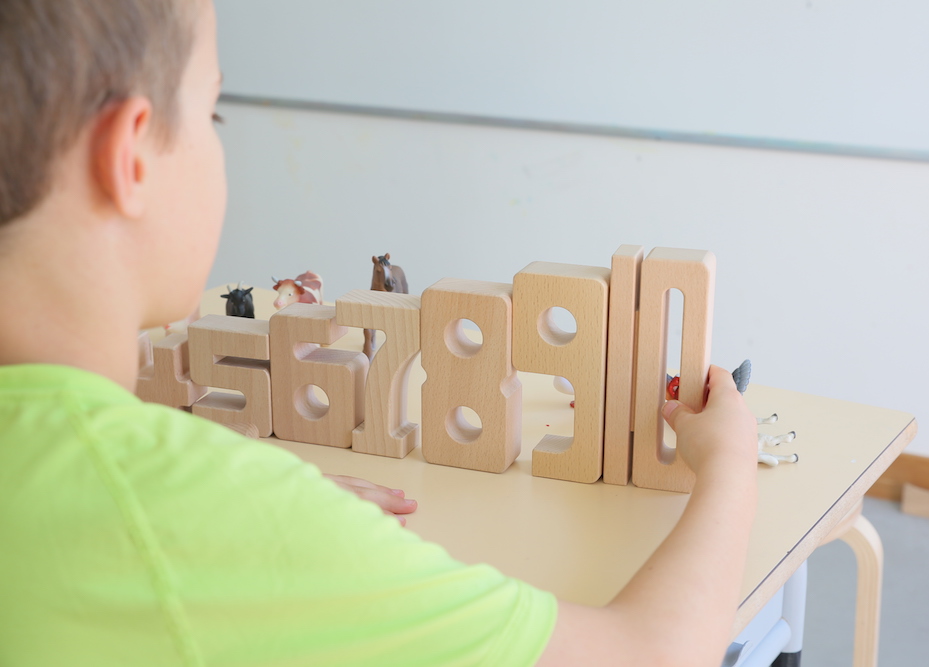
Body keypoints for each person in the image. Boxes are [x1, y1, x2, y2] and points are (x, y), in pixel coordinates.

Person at [0, 1, 759, 665]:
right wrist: (731, 463)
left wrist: (267, 513)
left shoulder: (176, 503)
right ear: (128, 155)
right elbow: (652, 655)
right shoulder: (181, 514)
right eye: (212, 114)